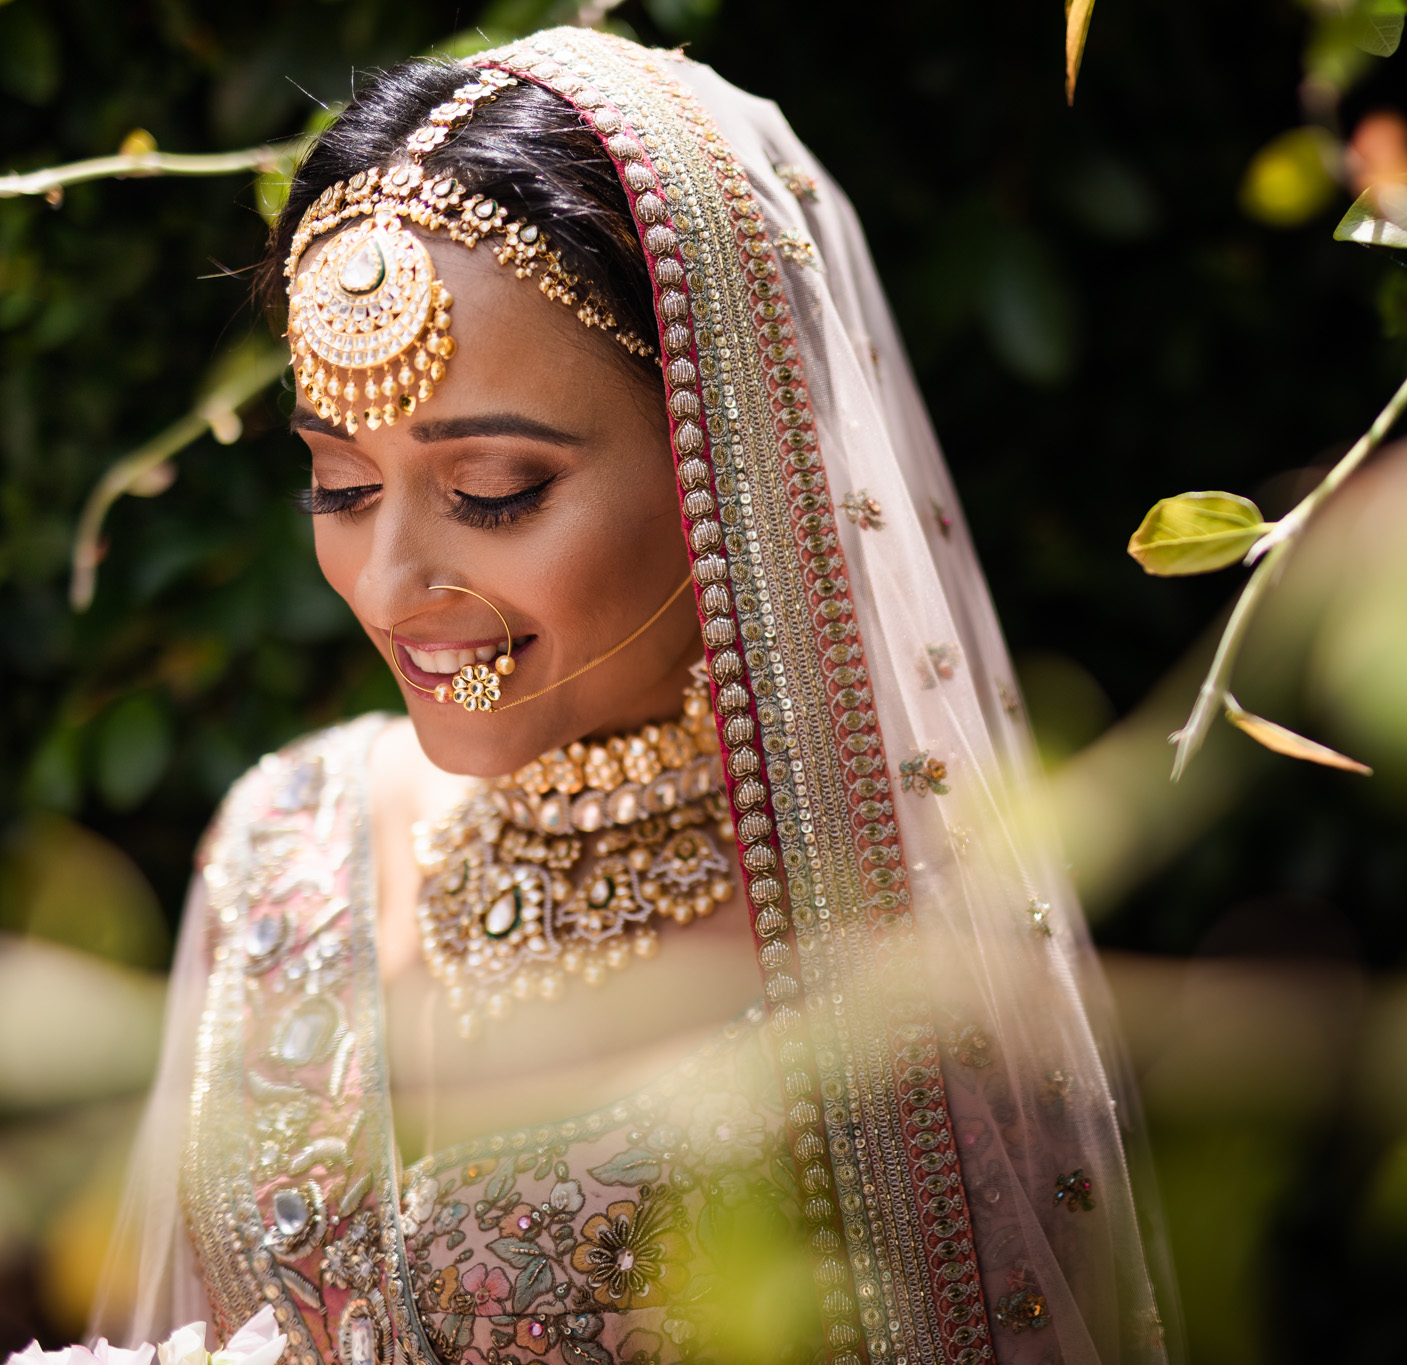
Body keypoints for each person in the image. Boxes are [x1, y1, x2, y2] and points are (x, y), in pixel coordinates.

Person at [90, 27, 1176, 1365]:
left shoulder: (893, 949)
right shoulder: (283, 847)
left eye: (495, 492)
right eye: (341, 484)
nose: (385, 584)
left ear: (727, 452)